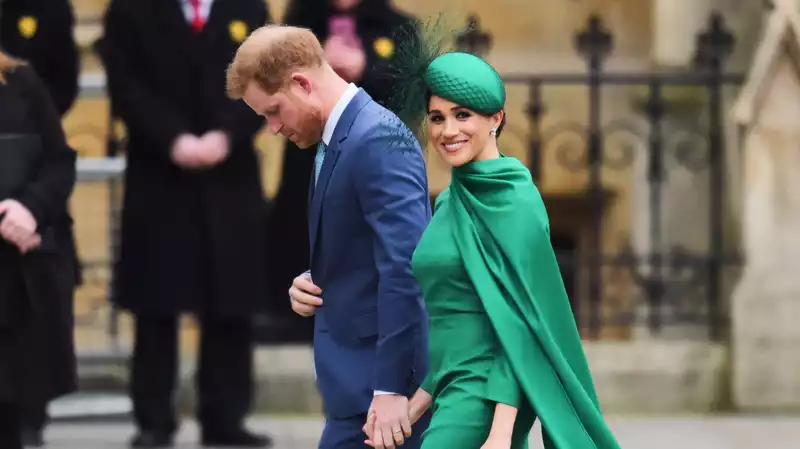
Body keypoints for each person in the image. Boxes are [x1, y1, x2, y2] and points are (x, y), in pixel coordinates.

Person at [363, 51, 623, 448]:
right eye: (437, 118)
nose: (447, 130)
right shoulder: (450, 200)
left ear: (496, 118)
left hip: (486, 397)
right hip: (450, 392)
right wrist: (414, 408)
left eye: (462, 115)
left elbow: (521, 327)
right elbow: (457, 328)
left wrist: (501, 432)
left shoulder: (515, 201)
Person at [227, 24, 431, 449]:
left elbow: (407, 268)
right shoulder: (339, 137)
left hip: (381, 400)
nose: (272, 128)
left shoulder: (376, 138)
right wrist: (317, 278)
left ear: (301, 82)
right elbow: (366, 249)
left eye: (273, 111)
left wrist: (392, 389)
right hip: (356, 392)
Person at [95, 0, 273, 446]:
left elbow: (267, 82)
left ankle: (225, 419)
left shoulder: (248, 7)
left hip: (229, 175)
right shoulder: (131, 11)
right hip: (159, 174)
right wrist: (171, 137)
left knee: (231, 304)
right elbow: (126, 86)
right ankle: (154, 421)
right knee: (157, 305)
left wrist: (227, 135)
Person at [259, 0, 419, 344]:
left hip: (373, 158)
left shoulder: (397, 26)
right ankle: (297, 321)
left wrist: (367, 66)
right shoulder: (299, 21)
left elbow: (411, 94)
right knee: (303, 227)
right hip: (309, 154)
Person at [0, 1, 81, 444]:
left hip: (17, 281)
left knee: (16, 410)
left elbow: (59, 160)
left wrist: (29, 207)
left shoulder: (20, 81)